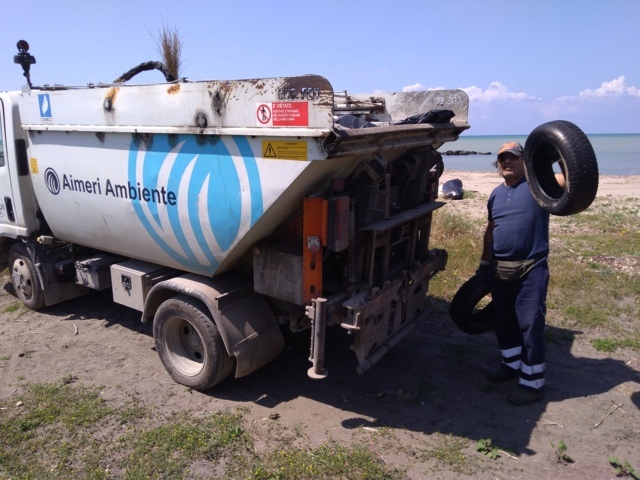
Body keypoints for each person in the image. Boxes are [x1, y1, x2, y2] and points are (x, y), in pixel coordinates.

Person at [478, 142, 565, 406]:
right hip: (499, 268)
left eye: (513, 158)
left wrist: (560, 154)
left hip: (531, 269)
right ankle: (511, 364)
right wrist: (483, 264)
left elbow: (570, 178)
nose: (507, 162)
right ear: (498, 164)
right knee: (503, 320)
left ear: (524, 162)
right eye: (502, 158)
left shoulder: (538, 187)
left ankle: (532, 384)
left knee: (530, 325)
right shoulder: (494, 194)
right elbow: (491, 231)